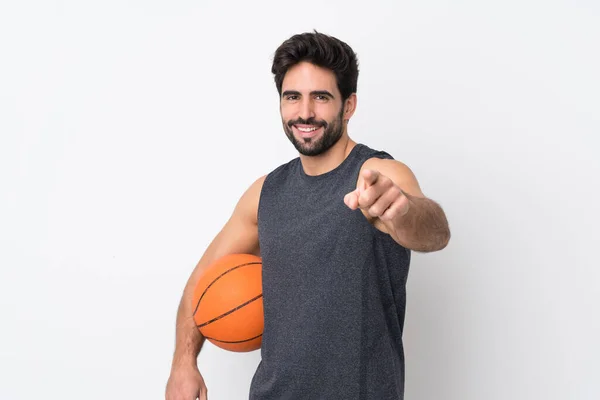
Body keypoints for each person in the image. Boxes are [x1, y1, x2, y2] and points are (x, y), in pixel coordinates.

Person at [165, 31, 451, 400]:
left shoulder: (380, 175)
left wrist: (402, 212)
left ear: (348, 106)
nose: (304, 112)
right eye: (292, 97)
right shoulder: (264, 194)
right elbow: (201, 281)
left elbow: (434, 232)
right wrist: (183, 364)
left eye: (321, 97)